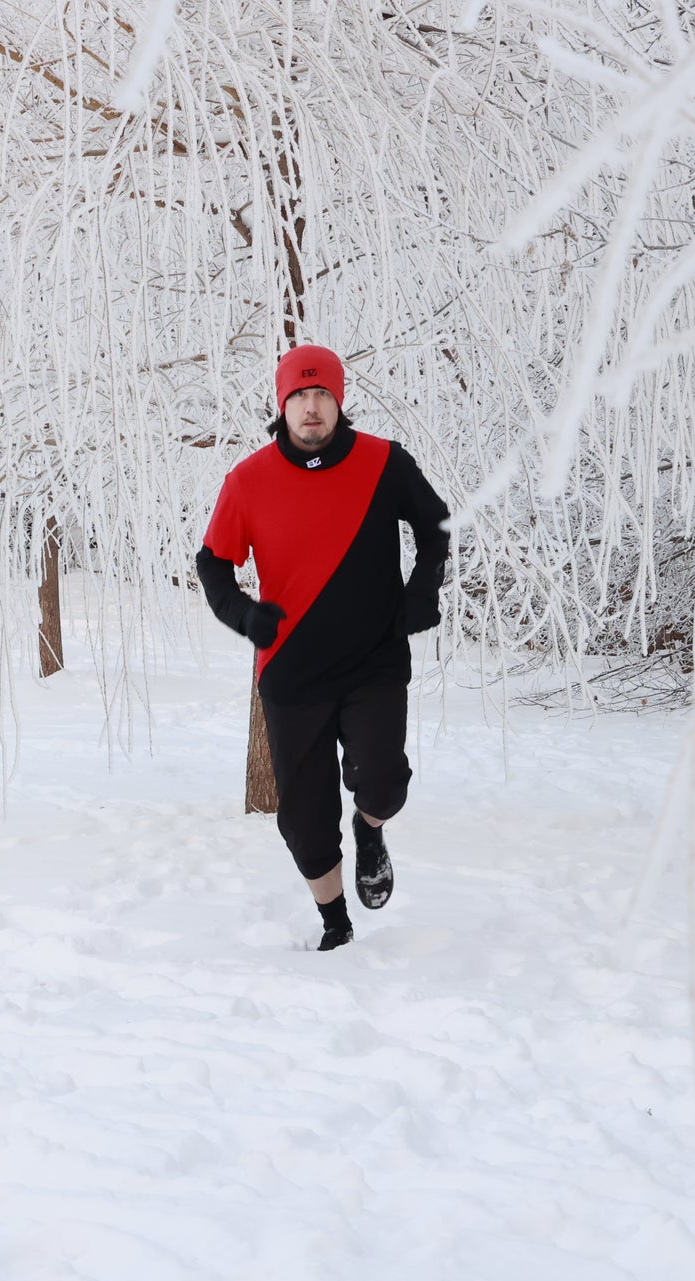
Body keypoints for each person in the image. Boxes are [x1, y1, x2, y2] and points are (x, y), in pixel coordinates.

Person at [196, 345, 451, 950]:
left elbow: (436, 522)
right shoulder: (248, 479)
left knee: (384, 782)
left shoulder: (384, 463)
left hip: (373, 660)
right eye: (299, 396)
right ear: (282, 405)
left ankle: (370, 830)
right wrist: (243, 615)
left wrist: (420, 595)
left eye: (322, 395)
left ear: (338, 402)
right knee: (305, 824)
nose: (311, 408)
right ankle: (336, 925)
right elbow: (212, 564)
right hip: (291, 671)